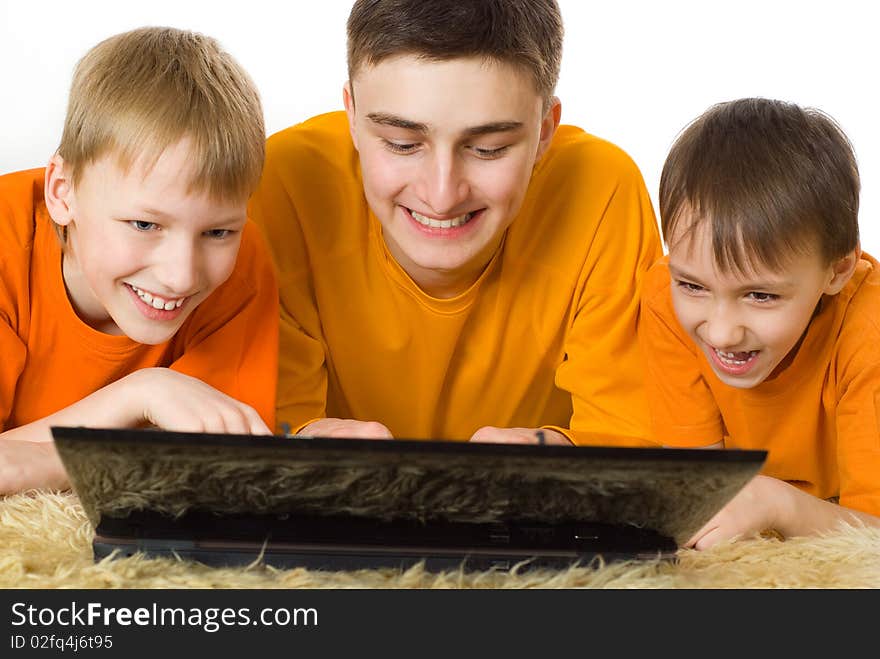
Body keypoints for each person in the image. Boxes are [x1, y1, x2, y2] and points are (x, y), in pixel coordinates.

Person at [248, 0, 662, 446]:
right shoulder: (282, 184)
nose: (442, 196)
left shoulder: (601, 190)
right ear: (352, 114)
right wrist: (302, 444)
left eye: (488, 149)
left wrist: (561, 463)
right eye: (403, 144)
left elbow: (626, 443)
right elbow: (260, 430)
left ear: (545, 131)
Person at [0, 27, 279, 495]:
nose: (181, 275)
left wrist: (38, 462)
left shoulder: (244, 267)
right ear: (61, 192)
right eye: (145, 225)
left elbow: (215, 466)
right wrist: (139, 395)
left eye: (218, 231)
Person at [639, 97, 880, 548]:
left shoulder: (869, 333)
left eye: (760, 295)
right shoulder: (663, 299)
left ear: (838, 270)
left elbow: (874, 538)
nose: (721, 332)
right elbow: (699, 489)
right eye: (693, 285)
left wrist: (778, 504)